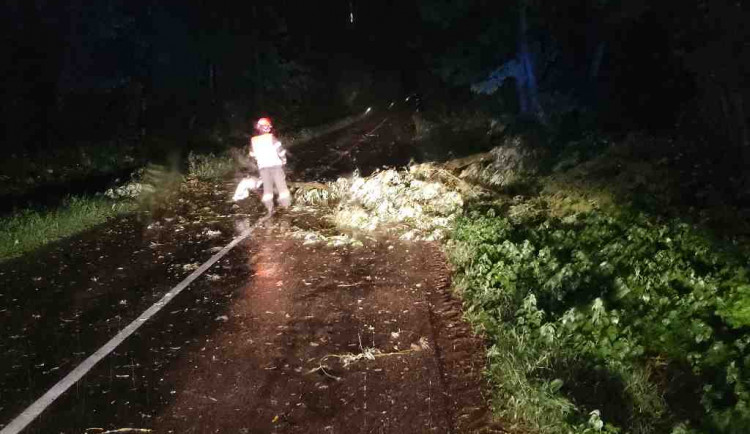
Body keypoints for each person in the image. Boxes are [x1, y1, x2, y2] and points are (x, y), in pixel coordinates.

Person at [249, 117, 290, 215]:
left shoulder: (253, 140)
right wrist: (284, 159)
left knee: (267, 188)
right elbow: (280, 151)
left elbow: (252, 155)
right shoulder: (271, 137)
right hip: (275, 166)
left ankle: (269, 208)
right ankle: (286, 205)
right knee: (281, 186)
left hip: (263, 168)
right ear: (266, 127)